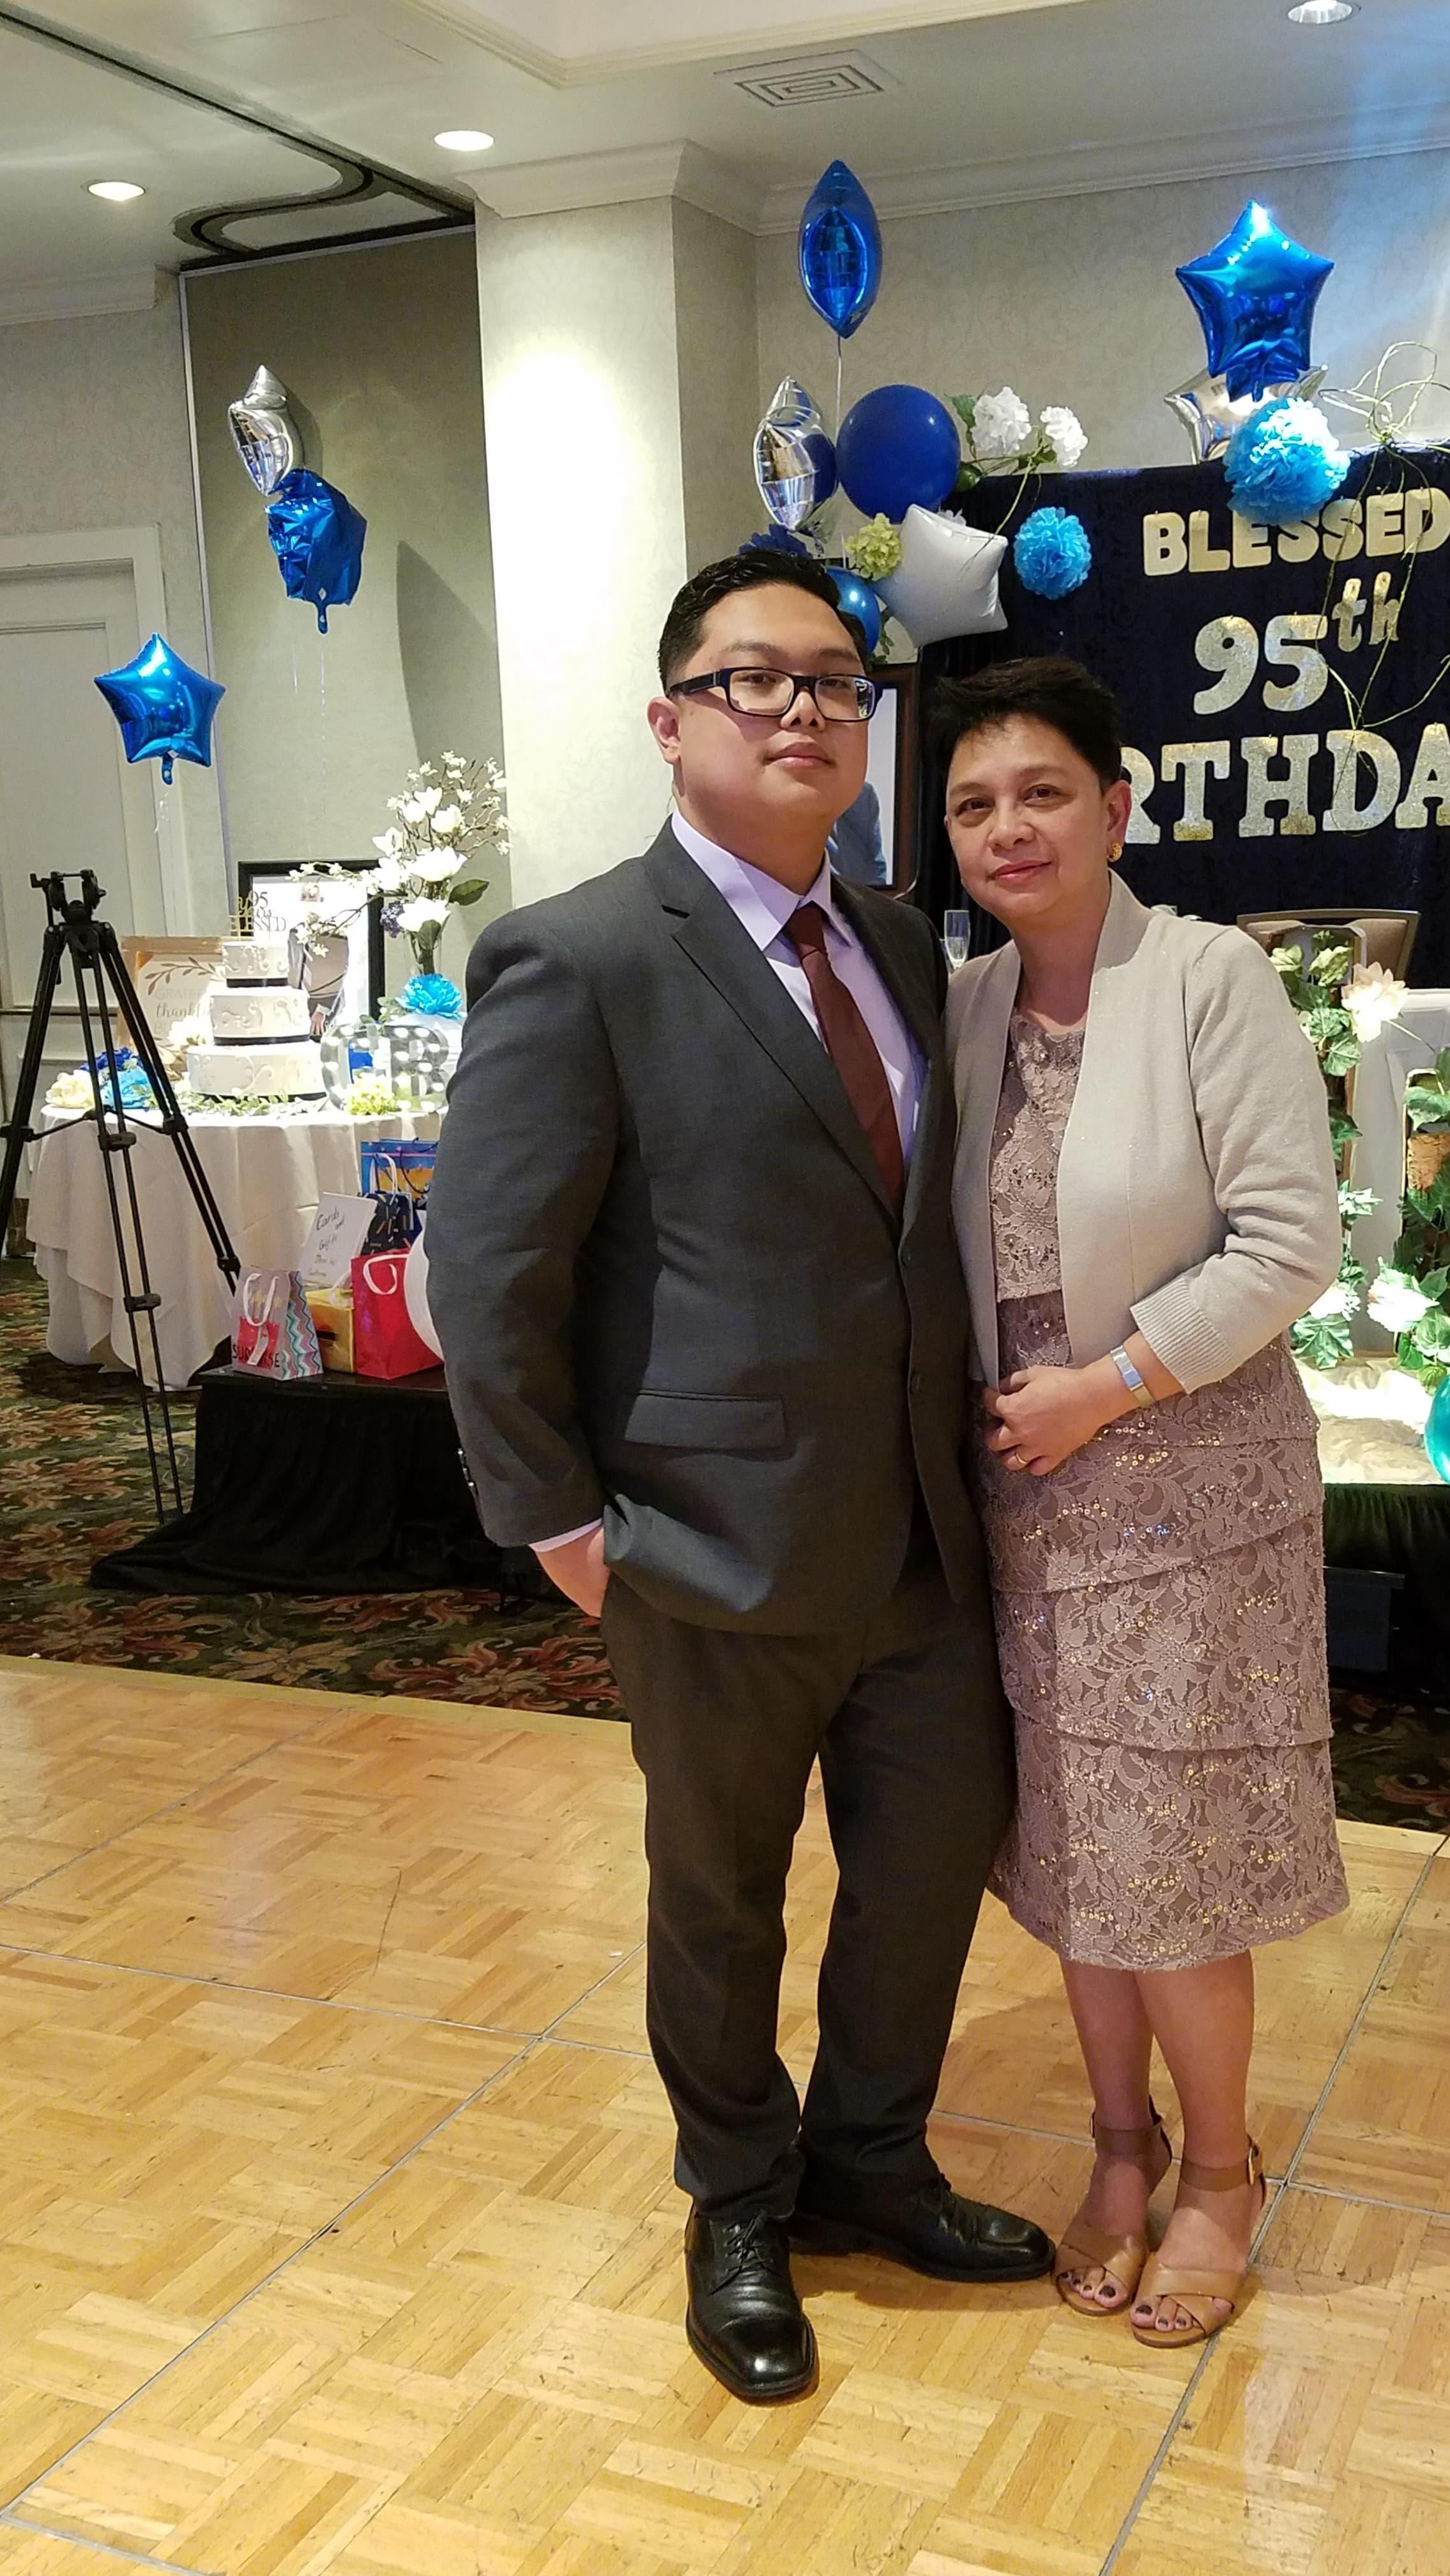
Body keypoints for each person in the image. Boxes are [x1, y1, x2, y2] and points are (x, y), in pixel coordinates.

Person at [424, 551, 1050, 2410]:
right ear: (671, 716)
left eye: (836, 686)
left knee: (930, 1869)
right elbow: (490, 1267)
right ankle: (738, 2200)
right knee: (720, 1902)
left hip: (926, 1537)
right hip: (704, 1543)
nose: (800, 711)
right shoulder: (583, 953)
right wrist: (550, 1513)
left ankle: (871, 2161)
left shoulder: (903, 940)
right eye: (755, 680)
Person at [933, 656, 1349, 2350]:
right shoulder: (959, 1009)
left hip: (1187, 1480)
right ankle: (1122, 2147)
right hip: (1025, 1496)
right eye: (973, 804)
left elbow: (1290, 1243)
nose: (1010, 827)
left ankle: (1224, 2177)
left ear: (1118, 805)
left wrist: (1105, 1389)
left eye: (1044, 792)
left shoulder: (1207, 978)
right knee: (1073, 1847)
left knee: (1169, 1855)